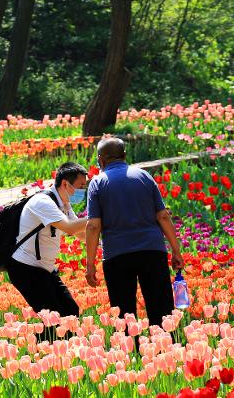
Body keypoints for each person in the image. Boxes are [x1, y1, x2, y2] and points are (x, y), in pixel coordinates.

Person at [85, 137, 185, 332]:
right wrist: (176, 250)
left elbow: (93, 226)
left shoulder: (97, 183)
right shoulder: (144, 177)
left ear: (101, 160)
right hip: (152, 251)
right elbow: (163, 216)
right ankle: (167, 353)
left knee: (124, 313)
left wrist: (90, 264)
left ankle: (132, 356)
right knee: (161, 309)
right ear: (124, 155)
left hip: (117, 255)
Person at [7, 162, 88, 332]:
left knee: (70, 312)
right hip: (26, 269)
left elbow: (80, 233)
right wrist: (99, 218)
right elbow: (69, 228)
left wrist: (103, 241)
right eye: (81, 186)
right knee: (53, 320)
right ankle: (45, 353)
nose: (83, 191)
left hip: (45, 269)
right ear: (65, 184)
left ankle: (62, 353)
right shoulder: (43, 202)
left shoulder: (63, 203)